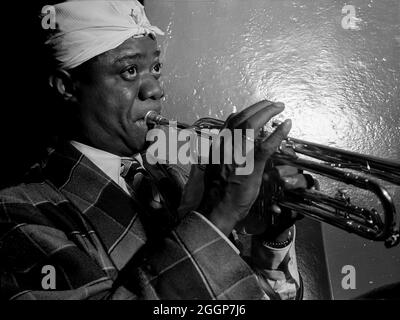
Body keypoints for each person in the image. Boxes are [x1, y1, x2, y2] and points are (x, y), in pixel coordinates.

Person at [0, 0, 312, 300]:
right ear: (67, 86)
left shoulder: (178, 163)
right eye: (130, 71)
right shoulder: (19, 210)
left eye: (156, 67)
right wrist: (219, 214)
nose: (155, 89)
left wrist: (272, 233)